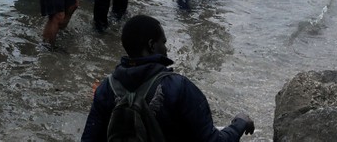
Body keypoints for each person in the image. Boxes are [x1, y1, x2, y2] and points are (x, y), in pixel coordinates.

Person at [81, 15, 255, 141]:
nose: (166, 49)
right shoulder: (178, 86)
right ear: (151, 45)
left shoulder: (106, 88)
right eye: (163, 42)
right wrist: (240, 122)